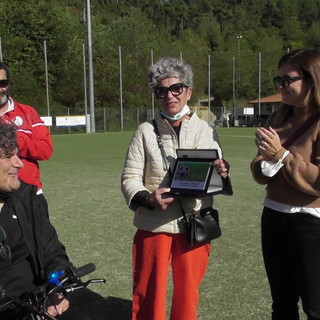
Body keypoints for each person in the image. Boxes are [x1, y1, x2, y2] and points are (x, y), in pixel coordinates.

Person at [121, 57, 231, 320]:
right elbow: (129, 178)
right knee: (149, 293)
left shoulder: (206, 129)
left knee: (187, 294)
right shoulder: (145, 131)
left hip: (193, 223)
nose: (169, 95)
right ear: (156, 95)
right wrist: (148, 198)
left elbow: (216, 170)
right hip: (154, 225)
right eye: (161, 90)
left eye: (176, 88)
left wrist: (222, 171)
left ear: (188, 91)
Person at [251, 49, 320, 320]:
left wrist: (281, 155)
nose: (281, 87)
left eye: (287, 79)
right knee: (281, 303)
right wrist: (266, 163)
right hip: (273, 215)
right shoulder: (277, 119)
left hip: (310, 223)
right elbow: (258, 172)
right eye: (277, 80)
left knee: (315, 306)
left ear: (312, 79)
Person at [0, 120, 86, 319]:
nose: (19, 163)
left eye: (17, 154)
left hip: (37, 307)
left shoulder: (28, 199)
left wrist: (57, 286)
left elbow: (51, 251)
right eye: (8, 156)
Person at [0, 62, 53, 194]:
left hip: (29, 193)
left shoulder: (28, 112)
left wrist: (16, 141)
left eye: (2, 83)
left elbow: (46, 150)